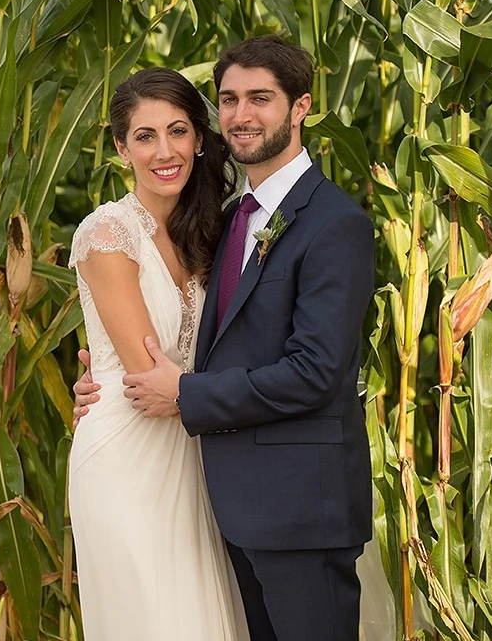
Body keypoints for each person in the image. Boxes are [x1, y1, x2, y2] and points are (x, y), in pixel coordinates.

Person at [72, 36, 381, 641]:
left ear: (301, 107)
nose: (242, 114)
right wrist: (101, 381)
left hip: (289, 503)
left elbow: (316, 370)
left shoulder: (332, 222)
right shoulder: (227, 221)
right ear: (120, 146)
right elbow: (188, 346)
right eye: (230, 99)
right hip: (204, 483)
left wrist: (178, 393)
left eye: (260, 98)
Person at [66, 66, 248, 639]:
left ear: (199, 138)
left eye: (177, 131)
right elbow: (147, 375)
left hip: (198, 446)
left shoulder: (213, 233)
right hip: (127, 453)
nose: (164, 151)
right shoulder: (107, 235)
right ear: (121, 148)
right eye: (145, 136)